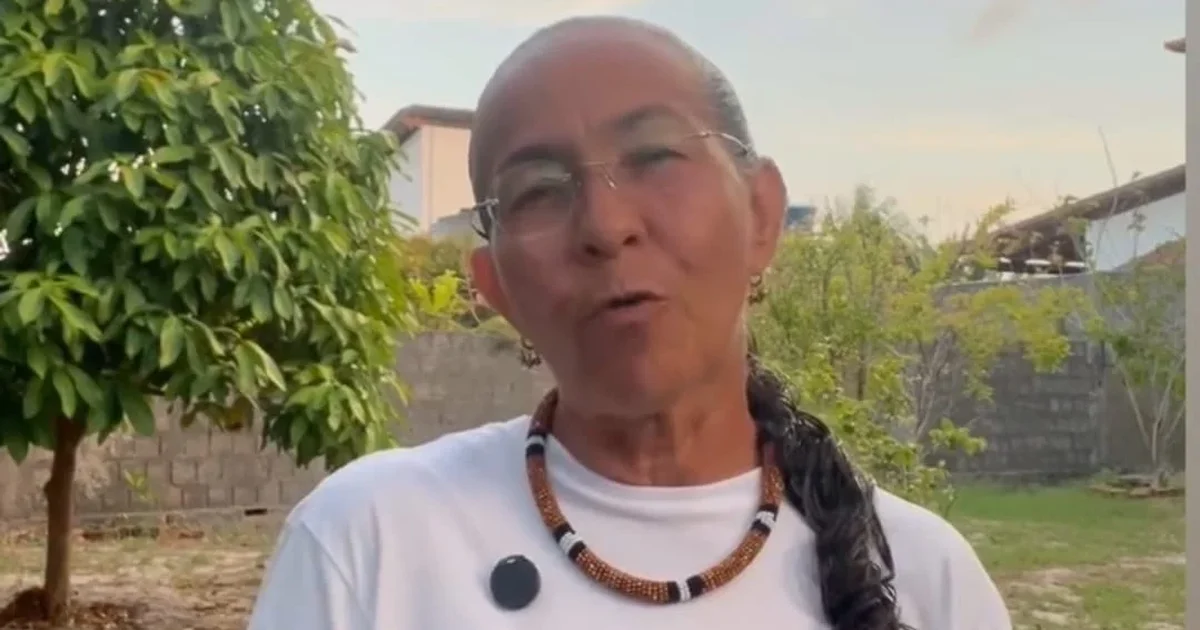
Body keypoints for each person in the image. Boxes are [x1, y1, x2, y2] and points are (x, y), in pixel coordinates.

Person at [247, 15, 1012, 630]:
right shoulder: (368, 541)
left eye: (654, 157)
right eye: (538, 190)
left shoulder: (922, 576)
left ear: (761, 216)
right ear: (496, 288)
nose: (606, 227)